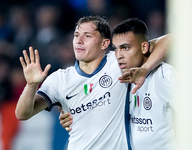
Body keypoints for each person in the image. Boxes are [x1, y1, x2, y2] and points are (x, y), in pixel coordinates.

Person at [15, 15, 169, 150]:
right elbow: (22, 114)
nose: (79, 41)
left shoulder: (118, 62)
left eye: (87, 36)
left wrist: (146, 68)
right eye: (76, 35)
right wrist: (31, 85)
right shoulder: (59, 79)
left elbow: (169, 40)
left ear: (104, 44)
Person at [59, 18, 176, 150]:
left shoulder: (165, 75)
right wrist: (71, 111)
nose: (119, 55)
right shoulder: (116, 73)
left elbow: (170, 40)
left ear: (144, 47)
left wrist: (145, 69)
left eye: (125, 48)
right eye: (116, 48)